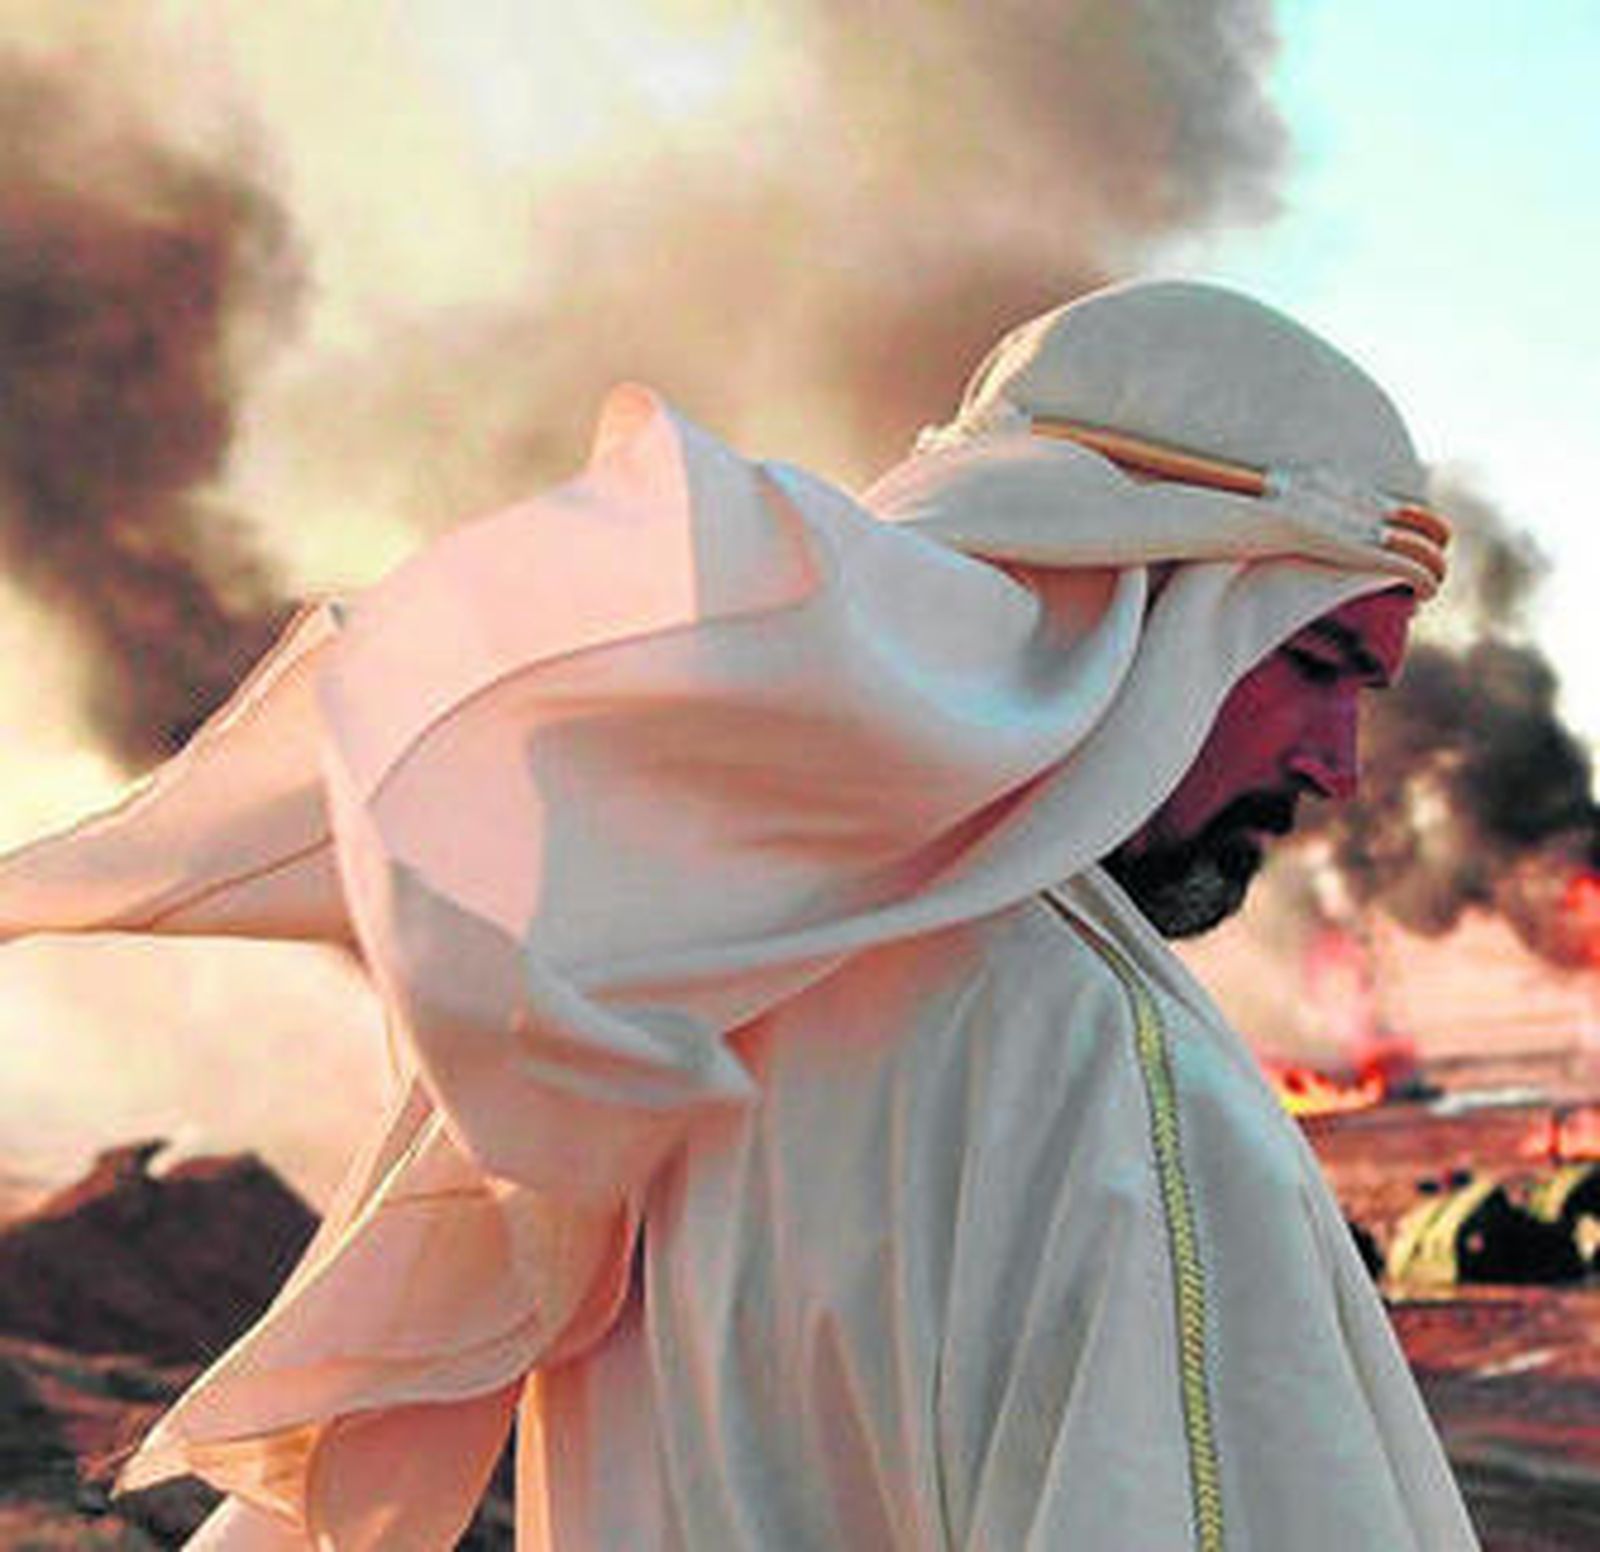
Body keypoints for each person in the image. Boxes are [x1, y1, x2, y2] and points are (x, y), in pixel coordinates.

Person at [0, 280, 1478, 1549]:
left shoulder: (682, 982)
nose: (1336, 766)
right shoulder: (1096, 1060)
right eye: (1322, 663)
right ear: (1145, 605)